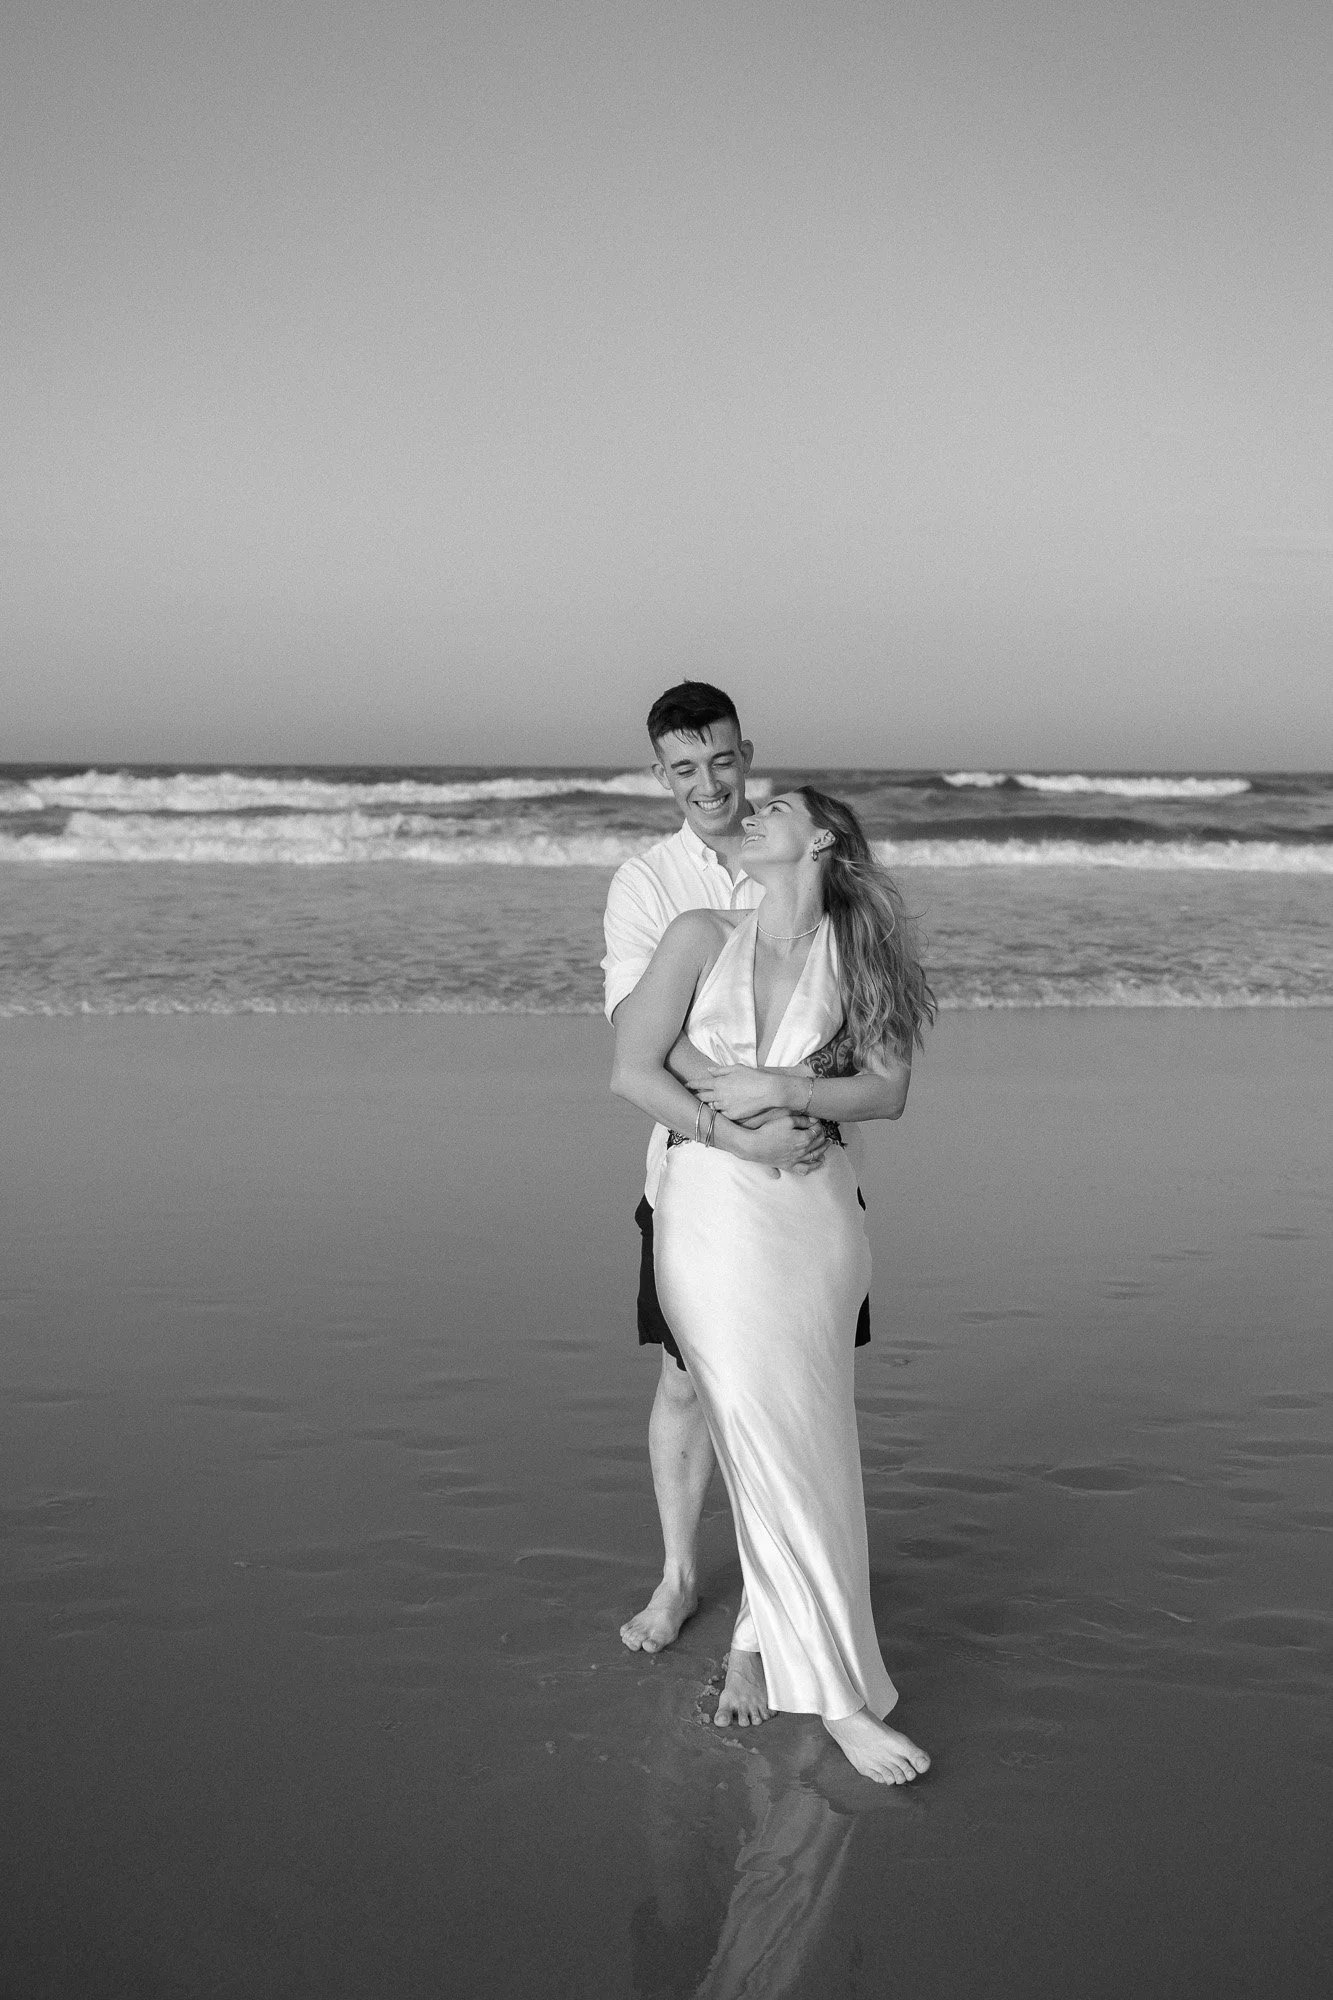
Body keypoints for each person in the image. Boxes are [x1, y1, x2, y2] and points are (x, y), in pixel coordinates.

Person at [611, 784, 934, 1784]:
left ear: (822, 837)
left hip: (815, 1222)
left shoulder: (859, 948)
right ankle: (837, 1697)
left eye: (777, 805)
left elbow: (886, 1086)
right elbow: (632, 1066)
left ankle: (774, 1641)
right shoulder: (697, 931)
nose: (750, 810)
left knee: (813, 1434)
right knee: (745, 1422)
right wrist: (735, 1129)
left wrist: (785, 1089)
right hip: (708, 1207)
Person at [603, 684, 875, 1715]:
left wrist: (800, 1104)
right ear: (661, 775)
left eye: (721, 762)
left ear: (743, 753)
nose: (710, 785)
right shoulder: (651, 885)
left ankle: (775, 1625)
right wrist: (741, 1120)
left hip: (805, 1188)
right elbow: (648, 1037)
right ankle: (680, 1577)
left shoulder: (800, 864)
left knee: (792, 1396)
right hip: (693, 1177)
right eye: (684, 769)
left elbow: (863, 1033)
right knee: (690, 1384)